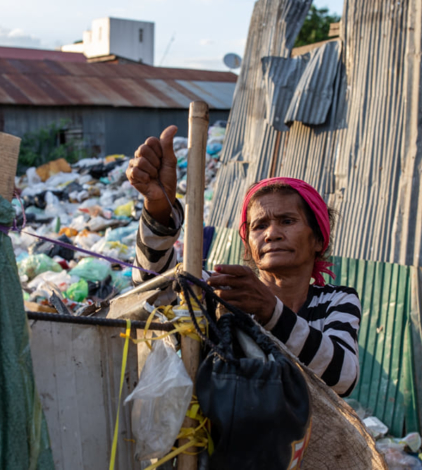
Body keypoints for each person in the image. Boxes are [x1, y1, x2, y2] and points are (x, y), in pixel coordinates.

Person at [126, 126, 361, 396]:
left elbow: (343, 378)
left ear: (319, 239)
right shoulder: (225, 292)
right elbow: (149, 287)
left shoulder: (336, 301)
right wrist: (158, 206)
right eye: (259, 226)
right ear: (248, 247)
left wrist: (271, 311)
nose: (272, 234)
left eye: (287, 221)